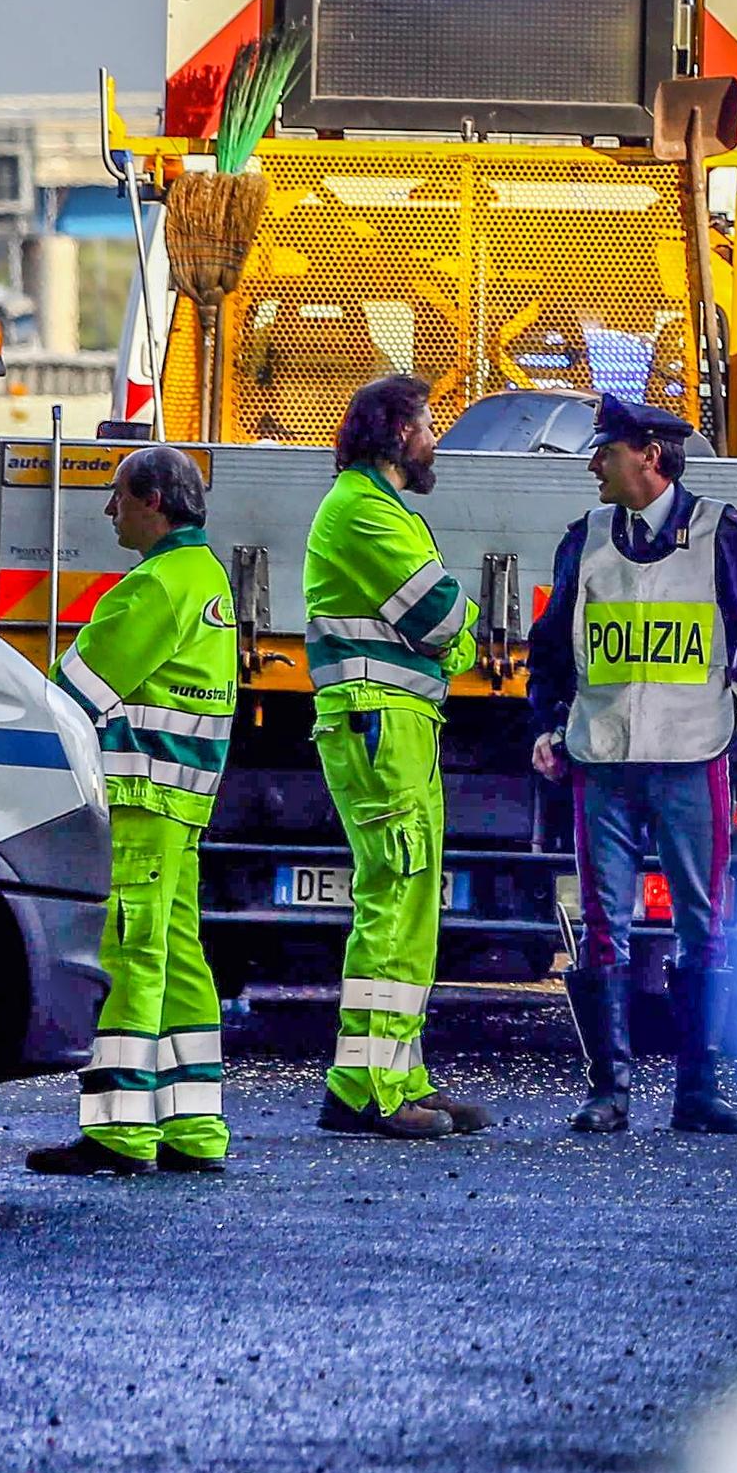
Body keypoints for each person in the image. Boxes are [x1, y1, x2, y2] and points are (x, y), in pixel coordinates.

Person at [528, 392, 737, 1137]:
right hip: (603, 759)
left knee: (700, 923)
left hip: (689, 756)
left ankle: (696, 1092)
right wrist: (547, 722)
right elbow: (551, 646)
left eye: (604, 451)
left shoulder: (721, 535)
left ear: (649, 454)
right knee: (604, 922)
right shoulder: (587, 538)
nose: (592, 465)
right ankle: (607, 1090)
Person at [30, 446, 239, 1176]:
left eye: (118, 494)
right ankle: (194, 1126)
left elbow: (69, 696)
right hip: (180, 802)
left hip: (141, 799)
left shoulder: (153, 587)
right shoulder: (204, 577)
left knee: (127, 953)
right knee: (179, 956)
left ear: (154, 499)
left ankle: (118, 1130)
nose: (109, 508)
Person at [308, 374, 483, 1139]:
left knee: (412, 904)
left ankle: (396, 1074)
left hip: (402, 726)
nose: (435, 436)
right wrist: (465, 625)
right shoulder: (363, 511)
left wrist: (456, 626)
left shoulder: (382, 510)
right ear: (396, 434)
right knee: (391, 899)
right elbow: (442, 616)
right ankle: (366, 1091)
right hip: (381, 726)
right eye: (429, 423)